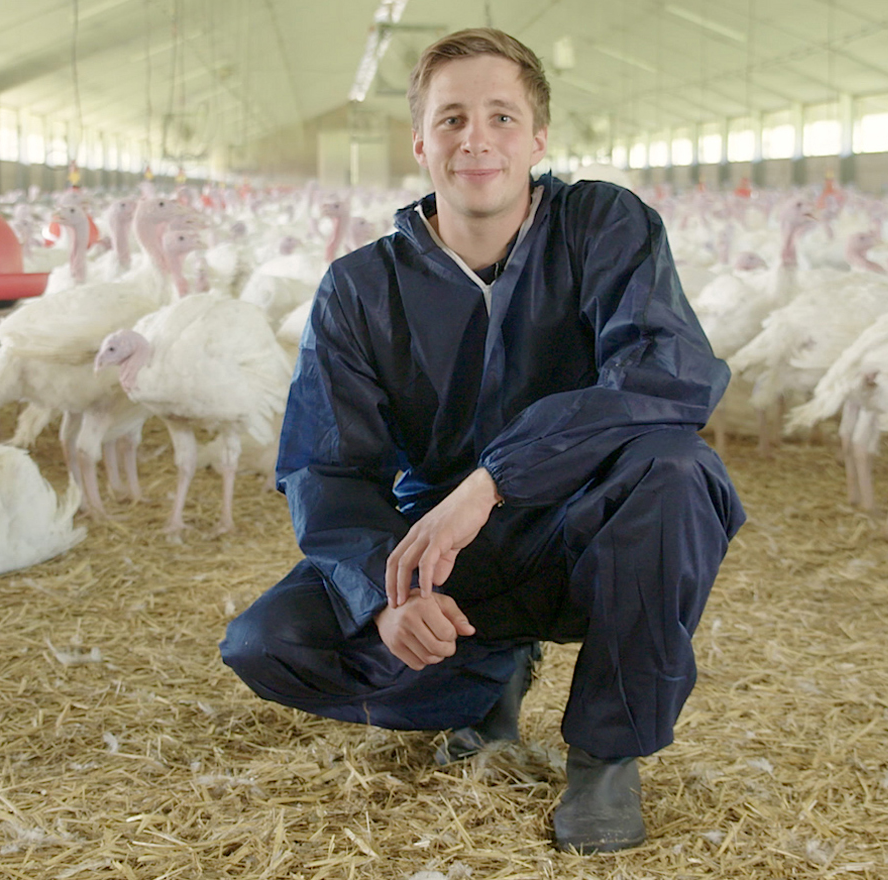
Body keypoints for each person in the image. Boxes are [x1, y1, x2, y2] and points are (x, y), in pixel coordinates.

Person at [220, 27, 744, 854]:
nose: (477, 139)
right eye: (453, 118)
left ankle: (607, 753)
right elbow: (327, 466)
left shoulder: (602, 224)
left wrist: (495, 478)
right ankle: (483, 675)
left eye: (502, 117)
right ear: (422, 142)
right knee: (268, 643)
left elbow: (669, 371)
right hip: (449, 557)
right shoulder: (362, 286)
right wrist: (387, 593)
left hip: (593, 532)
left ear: (538, 139)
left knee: (677, 469)